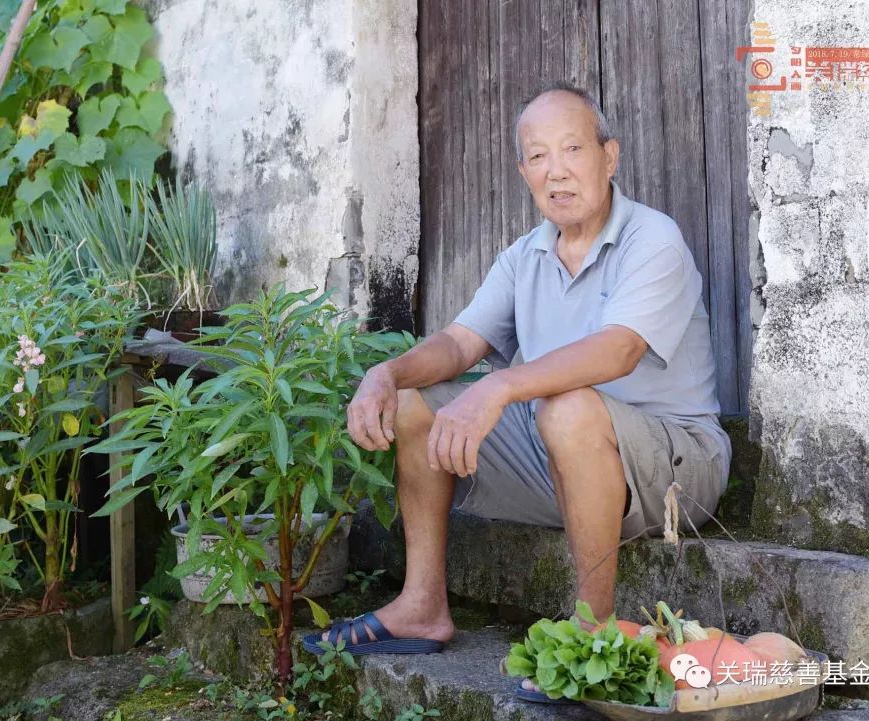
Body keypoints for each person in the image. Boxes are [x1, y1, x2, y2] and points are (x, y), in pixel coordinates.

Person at [303, 82, 731, 684]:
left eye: (573, 149)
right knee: (411, 404)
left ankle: (592, 638)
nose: (556, 172)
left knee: (566, 408)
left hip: (677, 468)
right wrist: (386, 372)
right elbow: (458, 344)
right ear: (523, 170)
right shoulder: (524, 256)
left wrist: (500, 387)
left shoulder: (652, 238)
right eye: (538, 156)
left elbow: (620, 348)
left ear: (610, 157)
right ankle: (422, 605)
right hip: (569, 463)